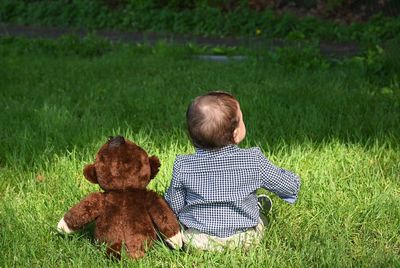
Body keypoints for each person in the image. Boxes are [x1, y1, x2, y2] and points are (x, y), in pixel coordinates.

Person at [165, 91, 300, 251]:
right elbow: (286, 185)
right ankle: (257, 207)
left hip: (198, 239)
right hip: (244, 239)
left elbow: (175, 203)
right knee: (260, 219)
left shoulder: (183, 165)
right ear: (236, 134)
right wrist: (294, 180)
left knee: (184, 222)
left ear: (190, 135)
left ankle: (178, 239)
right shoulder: (252, 160)